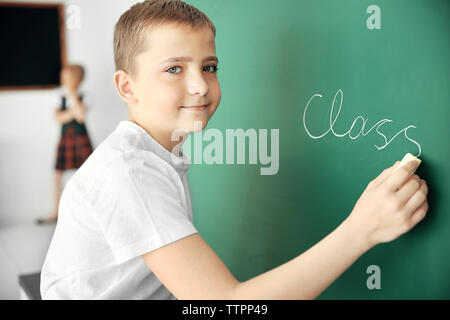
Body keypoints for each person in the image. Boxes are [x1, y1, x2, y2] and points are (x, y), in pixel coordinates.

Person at [40, 0, 429, 299]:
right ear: (127, 87)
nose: (200, 85)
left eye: (209, 66)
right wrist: (361, 231)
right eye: (174, 69)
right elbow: (225, 302)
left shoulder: (155, 154)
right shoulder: (129, 172)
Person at [36, 64, 93, 225]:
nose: (64, 80)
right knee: (58, 175)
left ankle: (86, 211)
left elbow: (81, 116)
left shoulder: (86, 95)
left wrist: (73, 96)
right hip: (65, 139)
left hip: (81, 138)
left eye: (67, 77)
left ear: (76, 79)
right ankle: (56, 211)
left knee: (86, 174)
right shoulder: (58, 95)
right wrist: (73, 111)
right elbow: (58, 119)